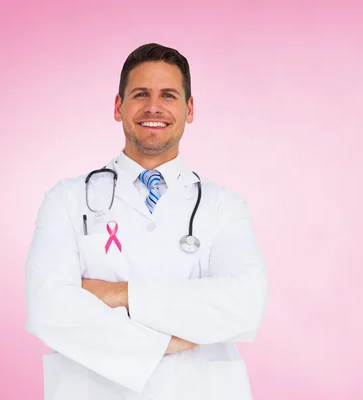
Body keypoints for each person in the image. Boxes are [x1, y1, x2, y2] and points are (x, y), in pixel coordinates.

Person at [24, 43, 269, 400]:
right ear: (118, 106)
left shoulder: (224, 206)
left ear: (189, 109)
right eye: (141, 94)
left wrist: (117, 295)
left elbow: (245, 305)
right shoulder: (66, 199)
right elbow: (49, 308)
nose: (153, 107)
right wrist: (167, 342)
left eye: (168, 95)